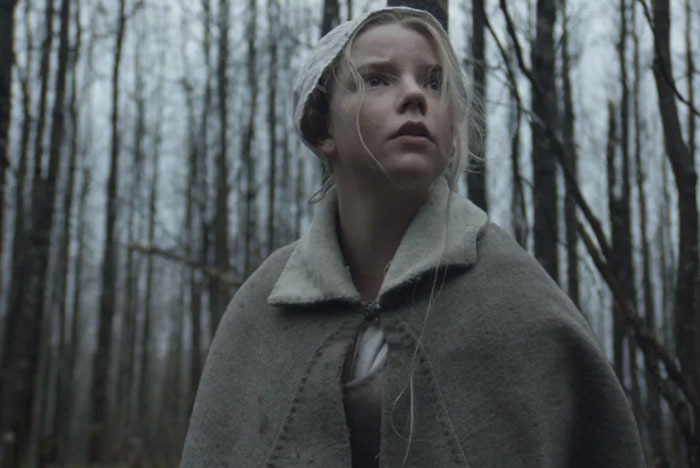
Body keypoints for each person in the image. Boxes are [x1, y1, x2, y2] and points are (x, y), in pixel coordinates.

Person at [180, 7, 646, 468]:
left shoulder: (515, 297)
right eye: (378, 79)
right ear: (322, 127)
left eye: (434, 82)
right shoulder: (266, 305)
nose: (415, 97)